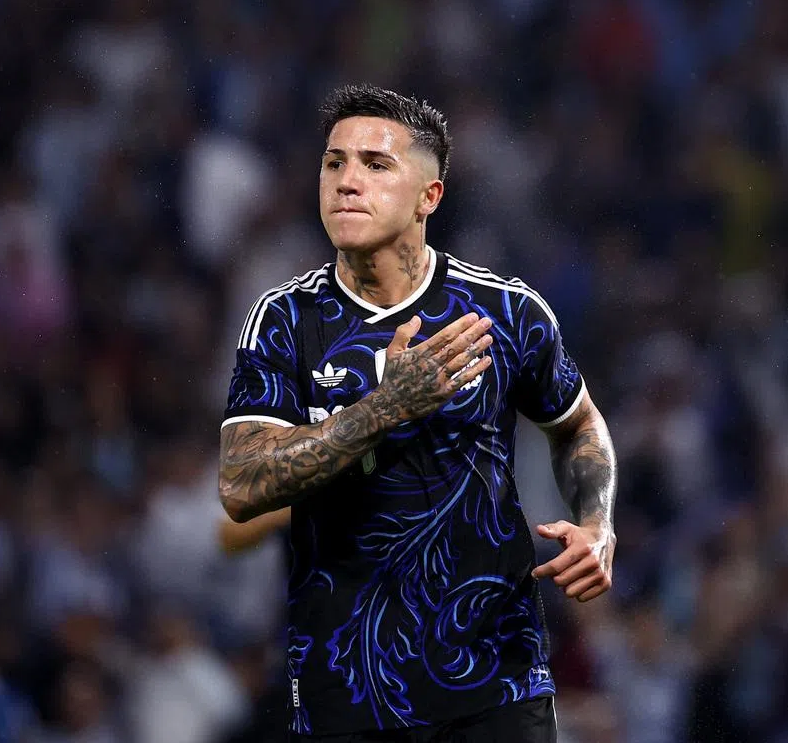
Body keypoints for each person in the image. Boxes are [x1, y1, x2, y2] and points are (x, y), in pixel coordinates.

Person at [218, 84, 618, 743]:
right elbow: (241, 488)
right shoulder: (285, 321)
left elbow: (577, 423)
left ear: (429, 197)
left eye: (376, 165)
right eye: (334, 162)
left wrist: (597, 523)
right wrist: (383, 410)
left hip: (496, 681)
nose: (347, 181)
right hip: (347, 688)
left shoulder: (506, 311)